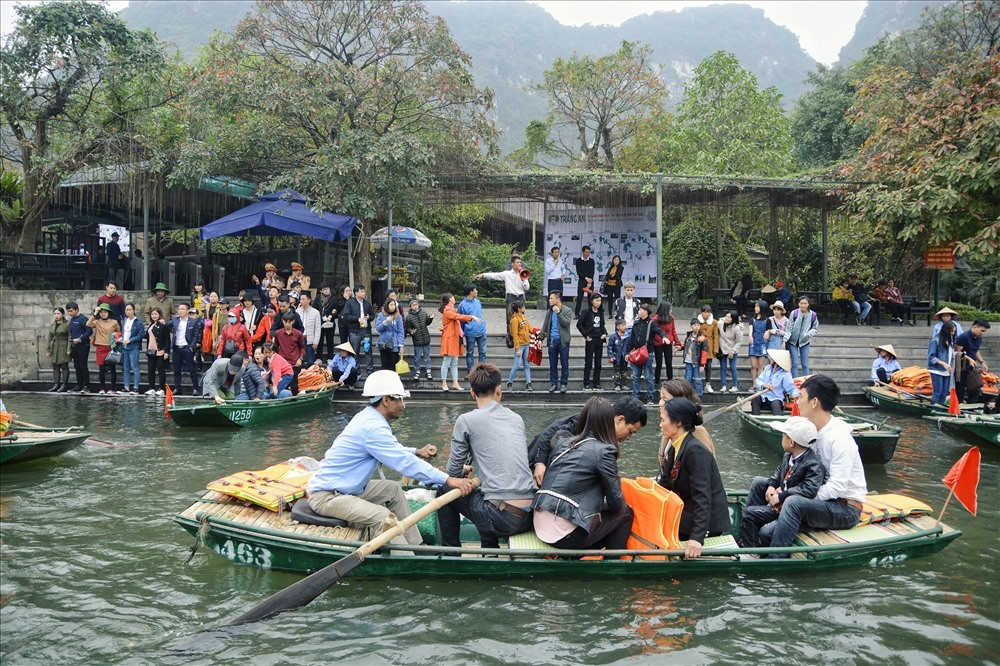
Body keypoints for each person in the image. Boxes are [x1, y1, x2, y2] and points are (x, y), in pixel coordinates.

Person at [306, 370, 475, 549]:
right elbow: (403, 462)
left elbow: (392, 450)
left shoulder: (370, 418)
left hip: (346, 489)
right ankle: (406, 559)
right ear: (386, 400)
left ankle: (417, 546)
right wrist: (448, 480)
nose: (403, 405)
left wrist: (416, 452)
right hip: (328, 497)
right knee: (384, 518)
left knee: (392, 489)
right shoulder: (372, 427)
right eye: (399, 399)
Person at [757, 375, 868, 557]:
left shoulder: (839, 438)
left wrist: (789, 497)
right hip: (818, 500)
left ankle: (775, 561)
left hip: (844, 508)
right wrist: (776, 487)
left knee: (792, 503)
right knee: (761, 485)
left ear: (814, 402)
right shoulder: (810, 430)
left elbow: (837, 487)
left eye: (800, 396)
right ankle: (748, 544)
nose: (796, 400)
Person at [437, 363, 536, 548]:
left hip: (502, 517)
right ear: (499, 390)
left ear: (472, 393)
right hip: (531, 514)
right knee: (485, 497)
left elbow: (452, 474)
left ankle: (452, 553)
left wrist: (460, 474)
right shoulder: (517, 419)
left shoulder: (466, 420)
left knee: (444, 489)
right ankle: (489, 551)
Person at [531, 397, 635, 553]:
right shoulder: (605, 451)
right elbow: (616, 504)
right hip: (562, 536)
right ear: (609, 422)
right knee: (625, 513)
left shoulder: (563, 443)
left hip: (539, 525)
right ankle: (612, 564)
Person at [656, 398, 731, 559]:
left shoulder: (695, 451)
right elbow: (663, 486)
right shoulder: (675, 448)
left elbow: (703, 497)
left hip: (706, 523)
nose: (660, 425)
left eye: (663, 420)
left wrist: (696, 538)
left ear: (678, 422)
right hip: (688, 512)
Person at [738, 417, 827, 550]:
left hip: (790, 509)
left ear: (791, 442)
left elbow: (809, 490)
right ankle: (751, 535)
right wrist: (772, 484)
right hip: (781, 500)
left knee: (749, 514)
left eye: (784, 435)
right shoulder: (788, 456)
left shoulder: (813, 464)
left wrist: (781, 496)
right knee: (758, 483)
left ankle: (750, 549)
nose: (782, 437)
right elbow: (779, 471)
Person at [529, 396, 647, 485]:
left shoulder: (604, 436)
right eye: (630, 431)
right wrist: (539, 463)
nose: (628, 437)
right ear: (620, 419)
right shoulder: (590, 421)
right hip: (532, 470)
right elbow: (550, 433)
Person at [475, 254, 530, 344]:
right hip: (511, 297)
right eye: (517, 262)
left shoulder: (523, 274)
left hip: (520, 297)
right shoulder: (507, 274)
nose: (519, 264)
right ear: (512, 264)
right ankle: (510, 338)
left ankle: (520, 337)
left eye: (520, 262)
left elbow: (527, 288)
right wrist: (483, 275)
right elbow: (495, 275)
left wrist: (524, 279)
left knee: (521, 318)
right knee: (510, 318)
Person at [658, 379, 715, 464]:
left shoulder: (697, 431)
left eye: (665, 400)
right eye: (660, 398)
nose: (660, 403)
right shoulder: (669, 429)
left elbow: (705, 465)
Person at [439, 292, 480, 391]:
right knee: (447, 361)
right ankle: (444, 383)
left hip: (454, 337)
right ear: (450, 299)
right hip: (449, 338)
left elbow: (457, 316)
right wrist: (471, 317)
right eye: (453, 297)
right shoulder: (447, 310)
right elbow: (457, 316)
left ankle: (455, 383)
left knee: (454, 362)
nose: (454, 298)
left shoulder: (451, 309)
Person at [539, 291, 573, 394]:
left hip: (563, 342)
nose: (549, 300)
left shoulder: (567, 310)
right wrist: (540, 338)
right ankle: (553, 383)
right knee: (552, 364)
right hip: (552, 341)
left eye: (551, 298)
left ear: (558, 299)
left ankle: (563, 384)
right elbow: (545, 325)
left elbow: (566, 323)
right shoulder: (549, 311)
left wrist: (559, 313)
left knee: (564, 363)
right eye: (549, 298)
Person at [167, 303, 201, 395]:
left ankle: (195, 388)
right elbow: (166, 326)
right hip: (176, 347)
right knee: (176, 370)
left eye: (182, 309)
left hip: (187, 348)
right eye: (179, 309)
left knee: (192, 369)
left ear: (188, 311)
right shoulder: (175, 320)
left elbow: (196, 335)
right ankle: (177, 388)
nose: (180, 311)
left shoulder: (193, 321)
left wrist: (192, 346)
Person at [752, 349, 799, 415]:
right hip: (764, 396)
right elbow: (758, 381)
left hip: (776, 398)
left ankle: (777, 420)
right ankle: (755, 418)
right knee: (755, 398)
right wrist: (764, 385)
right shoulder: (768, 368)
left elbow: (791, 388)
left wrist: (796, 394)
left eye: (772, 358)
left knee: (775, 404)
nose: (770, 359)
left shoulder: (785, 374)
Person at [87, 303, 121, 394]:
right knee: (101, 369)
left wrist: (116, 342)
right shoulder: (97, 322)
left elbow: (118, 333)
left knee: (112, 368)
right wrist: (95, 313)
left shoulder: (114, 322)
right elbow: (88, 324)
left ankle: (112, 388)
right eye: (101, 312)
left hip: (111, 347)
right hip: (100, 346)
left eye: (105, 312)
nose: (103, 314)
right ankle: (102, 388)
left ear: (109, 313)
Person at [955, 319, 991, 404]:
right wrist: (969, 359)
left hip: (971, 367)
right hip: (961, 367)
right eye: (982, 331)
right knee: (960, 389)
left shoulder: (979, 338)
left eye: (984, 331)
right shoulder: (964, 337)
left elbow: (975, 351)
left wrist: (982, 362)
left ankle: (972, 405)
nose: (982, 333)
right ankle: (959, 406)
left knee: (975, 388)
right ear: (975, 327)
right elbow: (957, 351)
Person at [342, 285, 375, 377]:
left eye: (364, 291)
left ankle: (369, 369)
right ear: (356, 293)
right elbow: (346, 316)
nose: (364, 293)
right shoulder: (350, 303)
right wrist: (357, 319)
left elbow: (373, 315)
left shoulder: (367, 303)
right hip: (354, 330)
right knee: (355, 351)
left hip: (366, 330)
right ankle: (356, 370)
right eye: (362, 291)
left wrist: (369, 317)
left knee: (368, 351)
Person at [577, 293, 607, 390]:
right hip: (590, 339)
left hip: (599, 339)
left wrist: (604, 333)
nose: (598, 303)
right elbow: (579, 324)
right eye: (596, 300)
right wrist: (586, 335)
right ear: (591, 301)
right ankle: (586, 383)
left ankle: (596, 383)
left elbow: (602, 324)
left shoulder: (600, 312)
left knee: (598, 362)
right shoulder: (586, 312)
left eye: (600, 301)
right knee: (588, 362)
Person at [627, 304, 657, 402]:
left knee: (648, 376)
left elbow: (659, 331)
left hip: (648, 352)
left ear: (645, 312)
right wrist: (628, 352)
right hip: (636, 352)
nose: (638, 312)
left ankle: (650, 396)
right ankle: (635, 396)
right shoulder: (636, 323)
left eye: (640, 310)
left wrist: (664, 337)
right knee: (636, 376)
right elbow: (631, 339)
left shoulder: (651, 323)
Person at [784, 297, 818, 377]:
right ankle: (795, 381)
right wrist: (785, 339)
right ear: (798, 304)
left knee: (805, 364)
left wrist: (809, 334)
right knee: (794, 363)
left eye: (805, 303)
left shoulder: (813, 315)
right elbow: (789, 328)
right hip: (793, 341)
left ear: (808, 304)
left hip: (805, 341)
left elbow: (815, 328)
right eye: (801, 303)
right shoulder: (794, 313)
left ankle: (806, 381)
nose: (803, 305)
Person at [457, 284, 487, 374]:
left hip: (481, 330)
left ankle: (482, 372)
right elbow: (460, 320)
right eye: (475, 290)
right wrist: (462, 333)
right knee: (470, 353)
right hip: (470, 332)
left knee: (483, 352)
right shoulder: (462, 305)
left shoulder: (478, 301)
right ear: (470, 292)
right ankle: (471, 372)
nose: (477, 291)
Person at [273, 311, 306, 394]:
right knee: (283, 385)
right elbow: (275, 347)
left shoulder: (298, 334)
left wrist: (300, 358)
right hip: (282, 363)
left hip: (294, 362)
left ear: (293, 321)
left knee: (294, 386)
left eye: (289, 322)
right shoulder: (278, 333)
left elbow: (302, 347)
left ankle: (294, 399)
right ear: (282, 321)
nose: (287, 324)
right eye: (285, 322)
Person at [652, 302, 682, 385]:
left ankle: (670, 381)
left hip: (668, 343)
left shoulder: (671, 318)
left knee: (669, 363)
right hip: (658, 343)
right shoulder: (655, 319)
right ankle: (657, 382)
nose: (671, 310)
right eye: (670, 309)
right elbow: (654, 331)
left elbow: (673, 331)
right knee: (659, 363)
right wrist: (661, 339)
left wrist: (677, 342)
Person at [928, 321, 956, 407]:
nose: (952, 333)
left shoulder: (950, 341)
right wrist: (944, 364)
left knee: (944, 393)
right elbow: (931, 357)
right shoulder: (935, 340)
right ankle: (933, 408)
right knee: (937, 393)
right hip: (937, 370)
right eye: (951, 331)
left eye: (954, 331)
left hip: (947, 370)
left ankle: (940, 409)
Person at [405, 298, 434, 382]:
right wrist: (411, 332)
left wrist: (430, 318)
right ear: (410, 307)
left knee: (427, 356)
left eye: (416, 304)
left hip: (426, 338)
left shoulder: (423, 313)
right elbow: (408, 328)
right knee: (417, 357)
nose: (415, 306)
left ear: (418, 304)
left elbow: (427, 323)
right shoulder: (409, 317)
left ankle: (428, 370)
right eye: (413, 305)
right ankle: (417, 371)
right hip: (417, 339)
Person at [66, 302, 92, 393]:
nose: (70, 313)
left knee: (83, 366)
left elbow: (89, 331)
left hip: (83, 346)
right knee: (77, 366)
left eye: (71, 311)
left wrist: (80, 339)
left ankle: (86, 386)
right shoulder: (72, 320)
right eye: (68, 311)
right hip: (74, 346)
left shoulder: (83, 319)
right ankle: (79, 385)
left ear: (76, 310)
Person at [375, 297, 406, 371]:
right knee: (385, 366)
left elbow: (400, 331)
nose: (393, 307)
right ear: (387, 305)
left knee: (393, 365)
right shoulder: (381, 315)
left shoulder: (398, 316)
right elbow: (378, 328)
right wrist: (385, 321)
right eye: (391, 305)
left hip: (394, 343)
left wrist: (401, 345)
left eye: (394, 305)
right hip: (384, 343)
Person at [508, 300, 532, 391]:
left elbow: (530, 328)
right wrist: (517, 349)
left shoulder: (523, 317)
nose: (524, 307)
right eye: (523, 306)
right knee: (517, 365)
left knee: (526, 364)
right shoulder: (514, 320)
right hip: (520, 345)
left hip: (526, 344)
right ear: (519, 309)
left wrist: (538, 332)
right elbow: (515, 335)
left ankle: (528, 383)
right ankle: (509, 383)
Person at [718, 311, 745, 393]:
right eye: (726, 316)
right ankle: (723, 385)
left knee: (733, 367)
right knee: (723, 367)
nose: (726, 318)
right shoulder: (720, 323)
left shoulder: (737, 328)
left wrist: (732, 351)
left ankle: (735, 386)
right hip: (722, 348)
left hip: (733, 348)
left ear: (733, 319)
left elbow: (739, 341)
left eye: (729, 317)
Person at [144, 307, 169, 395]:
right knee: (151, 370)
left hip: (160, 350)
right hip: (151, 350)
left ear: (159, 315)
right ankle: (151, 387)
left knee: (161, 370)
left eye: (156, 314)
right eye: (152, 314)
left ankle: (161, 388)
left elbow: (167, 339)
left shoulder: (163, 325)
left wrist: (166, 351)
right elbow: (146, 335)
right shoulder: (151, 325)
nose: (154, 316)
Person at [120, 302, 144, 394]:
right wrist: (121, 339)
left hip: (134, 347)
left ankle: (135, 387)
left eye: (130, 310)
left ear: (134, 310)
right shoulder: (125, 320)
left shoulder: (138, 322)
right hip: (124, 347)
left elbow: (141, 335)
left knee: (135, 367)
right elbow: (123, 332)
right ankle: (126, 386)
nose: (128, 312)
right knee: (126, 367)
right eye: (126, 310)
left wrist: (130, 340)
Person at [45, 307, 71, 392]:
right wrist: (47, 350)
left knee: (64, 366)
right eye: (55, 314)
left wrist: (69, 348)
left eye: (58, 314)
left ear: (62, 314)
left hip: (63, 346)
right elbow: (49, 337)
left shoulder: (67, 324)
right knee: (55, 366)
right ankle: (56, 384)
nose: (56, 315)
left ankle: (64, 385)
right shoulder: (53, 325)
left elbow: (70, 337)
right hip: (54, 347)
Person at [681, 318, 707, 396]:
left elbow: (704, 352)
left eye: (698, 325)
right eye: (694, 325)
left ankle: (698, 396)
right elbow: (685, 345)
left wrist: (702, 364)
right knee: (687, 379)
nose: (696, 327)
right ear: (691, 326)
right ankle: (687, 395)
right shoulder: (688, 336)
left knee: (697, 380)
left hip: (697, 363)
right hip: (688, 361)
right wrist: (679, 347)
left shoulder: (702, 338)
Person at [697, 305, 720, 393]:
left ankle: (708, 384)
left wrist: (716, 349)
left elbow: (716, 336)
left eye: (708, 312)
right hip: (699, 345)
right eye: (704, 312)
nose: (706, 314)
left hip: (709, 346)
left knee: (709, 366)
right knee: (698, 365)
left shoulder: (714, 322)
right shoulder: (697, 321)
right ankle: (698, 383)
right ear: (701, 312)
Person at [747, 299, 770, 386]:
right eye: (755, 306)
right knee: (753, 365)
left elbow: (769, 330)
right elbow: (750, 329)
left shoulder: (767, 320)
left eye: (757, 306)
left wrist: (768, 332)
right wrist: (750, 336)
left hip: (763, 344)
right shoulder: (752, 320)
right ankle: (754, 384)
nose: (756, 308)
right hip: (753, 343)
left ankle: (759, 384)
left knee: (760, 365)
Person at [297, 291, 322, 365]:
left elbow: (317, 328)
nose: (301, 301)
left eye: (303, 299)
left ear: (309, 300)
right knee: (299, 361)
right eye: (300, 299)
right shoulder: (297, 311)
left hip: (309, 339)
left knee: (310, 361)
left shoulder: (315, 312)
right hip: (299, 339)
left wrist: (316, 341)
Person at [315, 284, 338, 362]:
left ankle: (330, 357)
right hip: (320, 321)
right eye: (324, 289)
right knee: (320, 340)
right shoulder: (318, 298)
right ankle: (319, 357)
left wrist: (331, 315)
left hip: (330, 322)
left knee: (330, 340)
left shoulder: (333, 298)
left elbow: (337, 310)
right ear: (321, 291)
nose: (327, 290)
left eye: (328, 288)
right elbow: (314, 308)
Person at [607, 319, 630, 391]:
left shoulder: (627, 337)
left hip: (624, 357)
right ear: (618, 327)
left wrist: (628, 354)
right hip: (616, 357)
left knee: (624, 371)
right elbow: (610, 347)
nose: (625, 327)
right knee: (617, 372)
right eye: (623, 325)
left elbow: (629, 346)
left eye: (625, 325)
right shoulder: (614, 337)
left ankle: (623, 384)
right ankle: (617, 385)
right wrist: (611, 356)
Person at [573, 245, 596, 316]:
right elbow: (579, 272)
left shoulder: (591, 261)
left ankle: (590, 313)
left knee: (591, 298)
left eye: (589, 252)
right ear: (583, 252)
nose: (587, 254)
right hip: (582, 281)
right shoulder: (578, 261)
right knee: (579, 298)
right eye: (586, 252)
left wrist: (590, 281)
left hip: (590, 281)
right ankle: (577, 314)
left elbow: (592, 271)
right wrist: (586, 278)